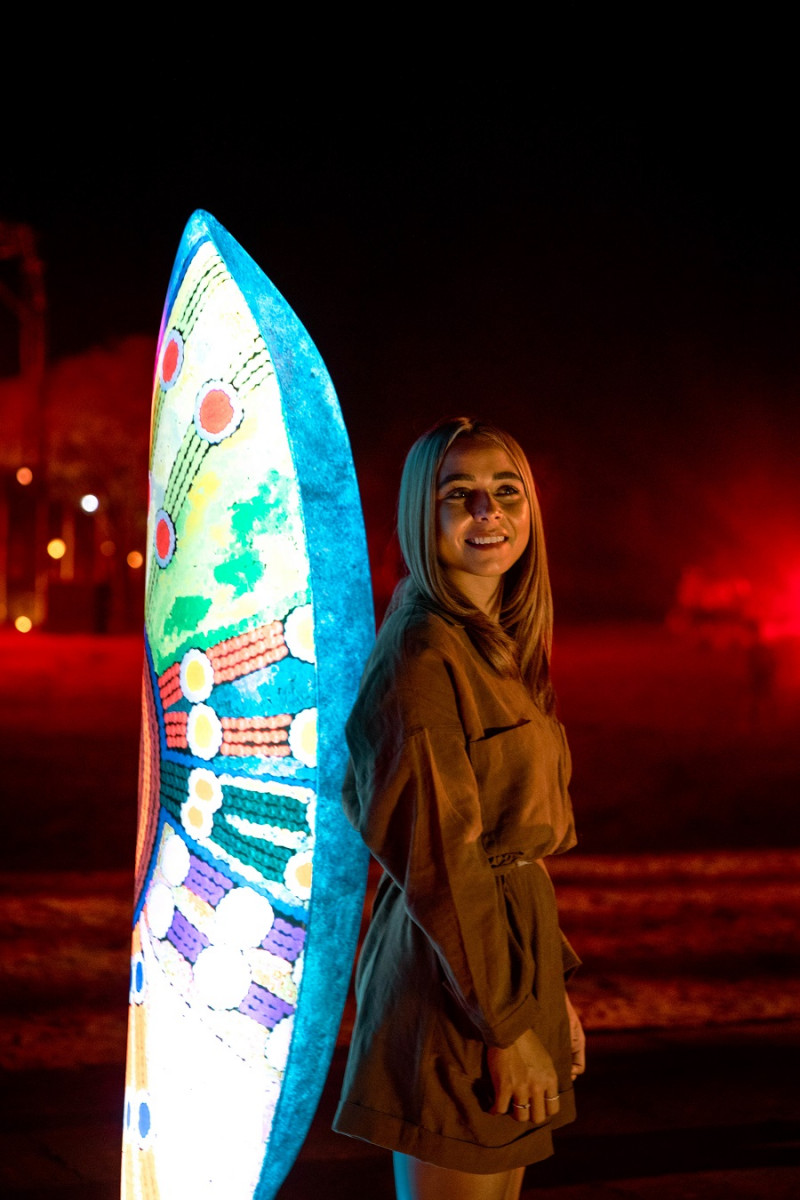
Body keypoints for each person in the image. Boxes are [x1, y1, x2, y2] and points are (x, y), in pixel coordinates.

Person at [333, 417, 584, 1200]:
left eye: (506, 491)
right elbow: (443, 859)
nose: (488, 511)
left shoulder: (493, 644)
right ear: (421, 513)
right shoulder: (423, 653)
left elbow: (517, 840)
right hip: (453, 988)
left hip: (507, 969)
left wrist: (551, 993)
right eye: (459, 495)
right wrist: (504, 1024)